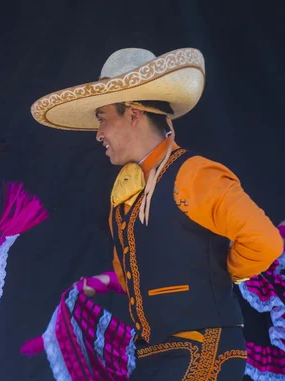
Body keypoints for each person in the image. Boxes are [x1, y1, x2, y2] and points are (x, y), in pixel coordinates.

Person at [28, 47, 283, 380]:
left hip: (204, 348)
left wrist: (221, 273)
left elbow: (264, 242)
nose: (98, 134)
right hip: (154, 355)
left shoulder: (195, 175)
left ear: (133, 113)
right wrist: (102, 283)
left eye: (103, 118)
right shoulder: (126, 197)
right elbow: (144, 272)